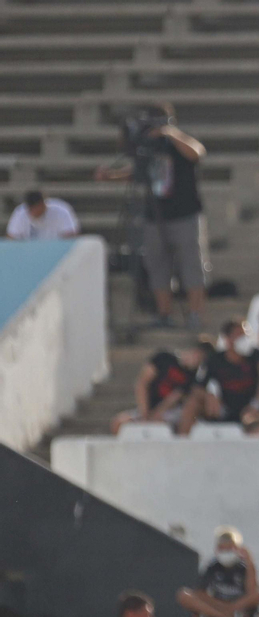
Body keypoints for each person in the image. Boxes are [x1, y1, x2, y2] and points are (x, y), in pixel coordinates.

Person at [96, 103, 208, 328]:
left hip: (184, 214)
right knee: (157, 265)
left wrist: (169, 132)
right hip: (154, 215)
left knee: (190, 266)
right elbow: (138, 173)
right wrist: (111, 175)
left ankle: (195, 314)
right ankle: (164, 314)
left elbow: (197, 153)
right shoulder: (147, 145)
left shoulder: (176, 142)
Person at [183, 320, 259, 430]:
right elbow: (197, 387)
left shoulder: (254, 355)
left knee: (253, 419)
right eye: (239, 335)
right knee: (192, 404)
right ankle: (183, 439)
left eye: (245, 335)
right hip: (224, 409)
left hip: (250, 408)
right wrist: (209, 396)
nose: (244, 339)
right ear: (227, 339)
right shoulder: (215, 360)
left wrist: (256, 404)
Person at [112, 339, 206, 436]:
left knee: (160, 427)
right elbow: (142, 383)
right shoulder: (164, 358)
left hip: (168, 412)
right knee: (119, 423)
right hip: (147, 407)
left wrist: (156, 414)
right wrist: (145, 414)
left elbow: (173, 399)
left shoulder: (191, 377)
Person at [177, 526, 259, 617]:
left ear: (238, 549)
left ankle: (232, 615)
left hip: (239, 608)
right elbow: (200, 592)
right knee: (184, 595)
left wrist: (250, 564)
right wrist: (222, 606)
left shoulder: (245, 566)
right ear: (217, 549)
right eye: (222, 548)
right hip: (217, 606)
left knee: (258, 596)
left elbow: (253, 594)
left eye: (229, 548)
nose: (226, 552)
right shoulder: (212, 566)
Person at [6, 189, 78, 240]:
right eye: (31, 209)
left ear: (43, 204)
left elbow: (70, 235)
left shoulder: (61, 210)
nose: (34, 211)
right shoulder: (20, 213)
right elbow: (12, 237)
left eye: (37, 207)